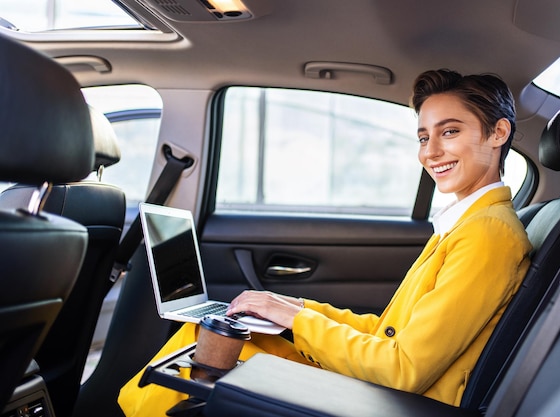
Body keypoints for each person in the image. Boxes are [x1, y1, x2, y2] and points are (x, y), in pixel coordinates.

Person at [118, 69, 532, 416]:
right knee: (215, 338)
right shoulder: (466, 224)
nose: (432, 151)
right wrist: (295, 308)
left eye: (451, 131)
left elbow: (403, 368)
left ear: (498, 133)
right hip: (384, 393)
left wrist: (297, 322)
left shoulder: (487, 233)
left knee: (201, 356)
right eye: (424, 137)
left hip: (397, 404)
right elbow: (390, 332)